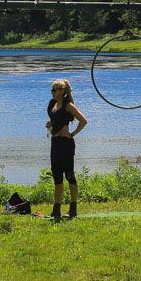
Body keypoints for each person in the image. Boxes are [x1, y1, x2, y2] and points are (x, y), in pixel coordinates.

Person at [46, 79, 88, 220]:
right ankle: (56, 210)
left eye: (55, 89)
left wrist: (72, 134)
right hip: (55, 143)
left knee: (69, 175)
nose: (52, 92)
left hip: (66, 144)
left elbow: (83, 121)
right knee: (57, 177)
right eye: (52, 89)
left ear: (62, 91)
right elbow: (56, 121)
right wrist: (51, 126)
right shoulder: (52, 104)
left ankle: (73, 209)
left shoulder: (68, 105)